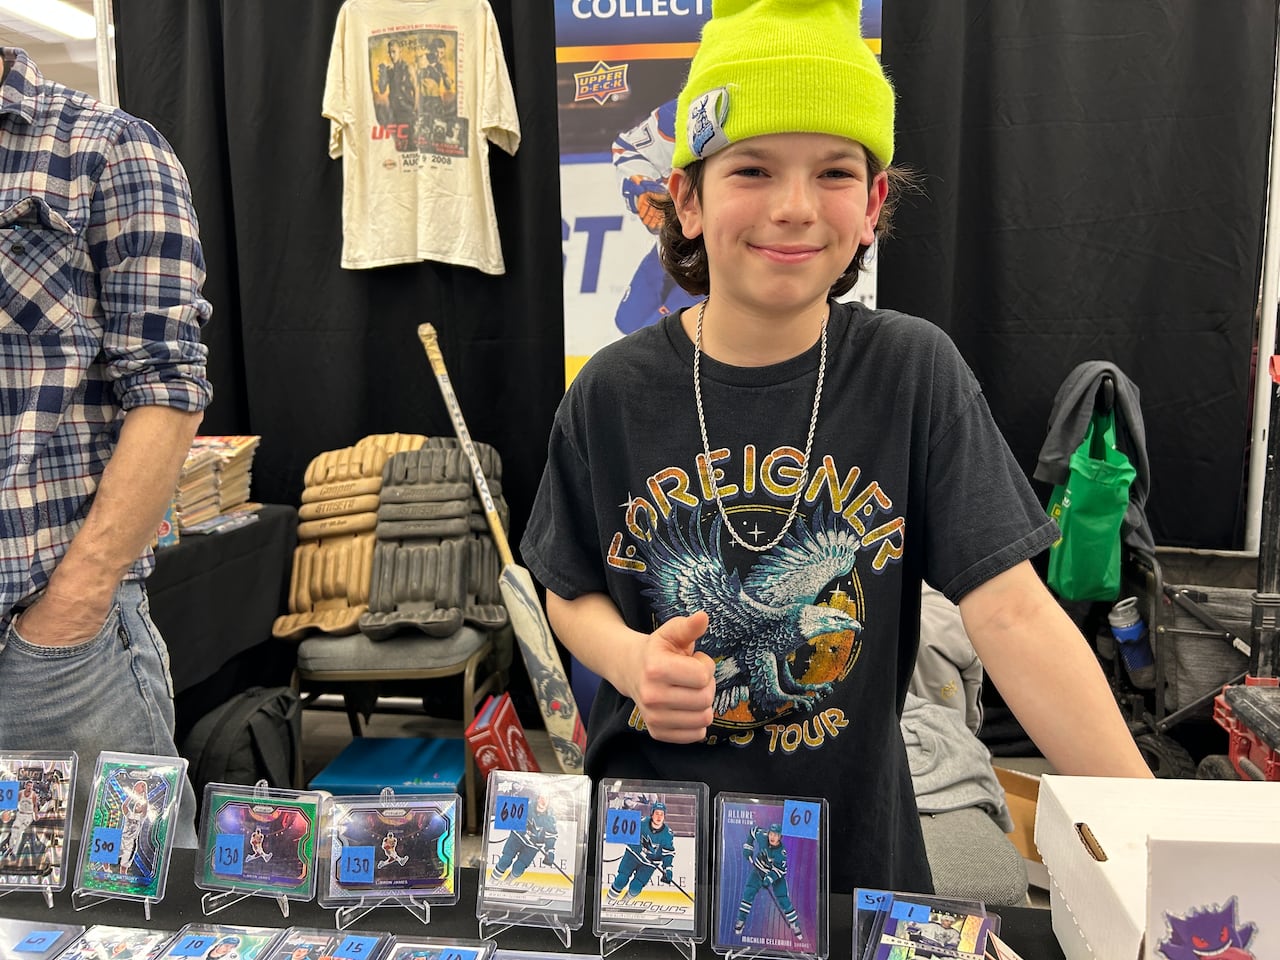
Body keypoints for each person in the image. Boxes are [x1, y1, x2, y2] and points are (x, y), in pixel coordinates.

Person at [519, 0, 1152, 895]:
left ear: (872, 205)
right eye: (752, 168)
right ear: (688, 200)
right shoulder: (613, 393)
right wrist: (630, 662)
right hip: (655, 853)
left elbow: (1011, 613)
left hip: (848, 849)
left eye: (834, 172)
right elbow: (568, 588)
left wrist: (1155, 825)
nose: (792, 207)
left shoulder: (911, 371)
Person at [0, 47, 211, 848]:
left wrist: (78, 599)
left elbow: (167, 386)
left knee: (127, 907)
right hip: (56, 634)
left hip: (51, 647)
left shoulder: (105, 149)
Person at [611, 99, 699, 334]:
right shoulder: (692, 107)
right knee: (630, 322)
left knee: (668, 342)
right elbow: (630, 148)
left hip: (732, 262)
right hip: (676, 242)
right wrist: (644, 189)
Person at [735, 822, 801, 938]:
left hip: (776, 877)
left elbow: (779, 870)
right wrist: (748, 847)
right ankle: (741, 920)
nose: (772, 837)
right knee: (748, 892)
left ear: (780, 837)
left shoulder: (781, 853)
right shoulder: (762, 836)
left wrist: (769, 879)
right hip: (759, 869)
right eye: (771, 834)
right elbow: (753, 831)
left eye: (776, 835)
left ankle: (795, 924)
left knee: (783, 899)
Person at [606, 799, 676, 901]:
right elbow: (624, 830)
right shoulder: (641, 822)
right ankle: (608, 901)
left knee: (636, 887)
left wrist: (668, 869)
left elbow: (668, 853)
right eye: (657, 813)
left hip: (649, 863)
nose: (659, 817)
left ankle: (625, 902)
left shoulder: (667, 834)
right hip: (632, 855)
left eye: (662, 814)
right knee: (621, 880)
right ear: (652, 814)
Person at [491, 793, 558, 881]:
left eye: (546, 798)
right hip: (516, 838)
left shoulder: (550, 818)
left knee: (519, 868)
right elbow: (511, 815)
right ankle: (492, 882)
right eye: (542, 797)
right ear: (537, 798)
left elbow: (551, 836)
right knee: (505, 860)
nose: (543, 801)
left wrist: (549, 851)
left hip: (532, 847)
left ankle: (506, 884)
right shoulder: (527, 806)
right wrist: (522, 830)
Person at [377, 38, 417, 151]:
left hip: (407, 110)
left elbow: (416, 89)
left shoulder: (408, 68)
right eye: (390, 52)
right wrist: (383, 74)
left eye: (394, 52)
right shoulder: (389, 70)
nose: (391, 55)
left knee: (410, 143)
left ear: (400, 51)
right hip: (395, 111)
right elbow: (381, 89)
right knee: (398, 144)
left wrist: (416, 108)